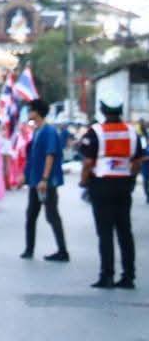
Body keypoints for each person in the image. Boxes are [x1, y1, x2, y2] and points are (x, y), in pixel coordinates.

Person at [78, 103, 146, 289]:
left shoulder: (96, 132)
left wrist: (83, 181)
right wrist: (130, 178)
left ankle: (107, 276)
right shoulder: (132, 133)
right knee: (125, 231)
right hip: (123, 186)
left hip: (101, 186)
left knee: (105, 233)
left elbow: (88, 162)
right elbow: (138, 161)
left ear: (102, 110)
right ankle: (129, 276)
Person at [20, 100, 68, 262]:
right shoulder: (37, 131)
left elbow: (50, 155)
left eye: (30, 110)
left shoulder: (49, 131)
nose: (28, 113)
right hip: (35, 181)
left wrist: (45, 179)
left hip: (45, 182)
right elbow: (32, 158)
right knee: (31, 215)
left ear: (37, 112)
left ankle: (63, 251)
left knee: (52, 215)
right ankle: (29, 249)